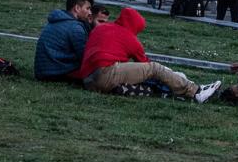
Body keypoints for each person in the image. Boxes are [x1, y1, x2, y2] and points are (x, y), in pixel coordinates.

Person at [76, 7, 221, 103]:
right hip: (104, 75)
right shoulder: (130, 38)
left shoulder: (103, 28)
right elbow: (146, 66)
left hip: (87, 80)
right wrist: (171, 73)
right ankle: (195, 91)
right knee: (155, 68)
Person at [34, 0, 93, 83]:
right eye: (88, 8)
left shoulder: (58, 19)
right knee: (99, 75)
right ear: (77, 8)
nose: (90, 12)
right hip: (57, 73)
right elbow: (85, 57)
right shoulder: (75, 27)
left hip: (43, 71)